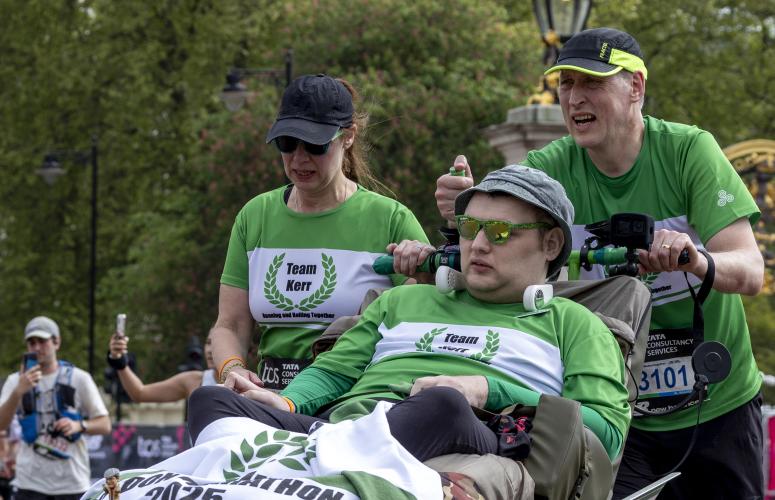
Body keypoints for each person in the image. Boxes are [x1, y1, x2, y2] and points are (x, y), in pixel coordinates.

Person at [435, 27, 764, 499]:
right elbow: (494, 245)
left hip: (716, 405)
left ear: (636, 87)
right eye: (566, 84)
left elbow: (750, 270)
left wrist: (694, 260)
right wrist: (461, 214)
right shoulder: (548, 169)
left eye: (592, 82)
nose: (574, 98)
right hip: (618, 409)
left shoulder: (689, 150)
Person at [188, 165, 631, 473]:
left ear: (551, 244)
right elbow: (332, 373)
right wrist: (284, 403)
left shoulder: (575, 323)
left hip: (461, 430)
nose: (478, 244)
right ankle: (323, 464)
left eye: (499, 232)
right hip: (344, 431)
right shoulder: (401, 301)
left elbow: (607, 434)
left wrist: (490, 390)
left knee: (444, 404)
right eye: (470, 227)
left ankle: (311, 467)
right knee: (212, 402)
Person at [211, 73, 431, 391]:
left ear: (348, 136)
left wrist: (429, 268)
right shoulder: (254, 216)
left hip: (350, 396)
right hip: (269, 393)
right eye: (287, 143)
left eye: (316, 145)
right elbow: (230, 324)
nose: (300, 158)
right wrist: (232, 369)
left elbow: (425, 316)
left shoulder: (391, 218)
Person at [0, 316, 111, 499]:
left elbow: (105, 424)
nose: (37, 347)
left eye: (42, 341)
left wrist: (79, 425)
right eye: (31, 343)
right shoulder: (15, 381)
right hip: (28, 484)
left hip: (72, 484)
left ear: (56, 342)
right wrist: (18, 392)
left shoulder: (79, 378)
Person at [106, 330, 218, 402]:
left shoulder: (231, 383)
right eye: (208, 343)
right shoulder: (195, 381)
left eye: (217, 343)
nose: (210, 350)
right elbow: (140, 393)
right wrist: (119, 361)